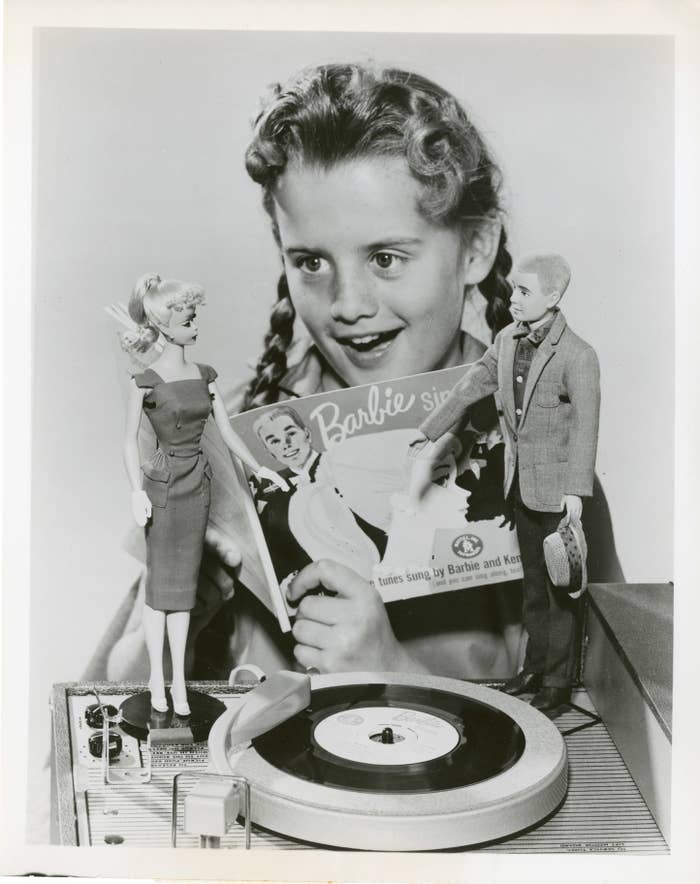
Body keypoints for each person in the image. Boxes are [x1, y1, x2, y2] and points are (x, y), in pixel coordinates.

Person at [99, 62, 622, 685]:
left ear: (476, 248)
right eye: (312, 261)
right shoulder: (233, 433)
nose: (347, 303)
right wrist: (181, 619)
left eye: (386, 257)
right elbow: (109, 697)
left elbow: (611, 730)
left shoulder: (541, 453)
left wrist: (393, 674)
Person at [411, 253, 600, 711]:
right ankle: (534, 669)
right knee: (533, 586)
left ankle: (557, 682)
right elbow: (474, 381)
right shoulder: (507, 339)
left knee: (561, 591)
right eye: (514, 290)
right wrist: (429, 431)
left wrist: (575, 491)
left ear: (553, 298)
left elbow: (586, 427)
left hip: (556, 491)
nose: (513, 299)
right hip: (520, 485)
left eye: (525, 292)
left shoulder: (577, 355)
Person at [120, 273, 288, 714]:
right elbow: (127, 441)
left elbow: (228, 434)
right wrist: (136, 491)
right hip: (161, 490)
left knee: (184, 595)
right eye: (189, 318)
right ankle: (157, 680)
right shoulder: (146, 381)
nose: (196, 325)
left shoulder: (205, 375)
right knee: (160, 593)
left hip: (199, 488)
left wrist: (260, 468)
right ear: (164, 324)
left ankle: (177, 684)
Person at [251, 405, 387, 583]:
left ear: (306, 434)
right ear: (269, 452)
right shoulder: (266, 490)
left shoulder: (342, 463)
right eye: (274, 441)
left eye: (290, 433)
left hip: (380, 568)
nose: (285, 444)